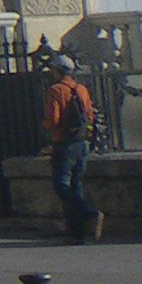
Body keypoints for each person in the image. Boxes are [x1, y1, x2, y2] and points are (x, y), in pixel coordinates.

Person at [37, 51, 100, 245]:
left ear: (57, 71)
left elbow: (54, 118)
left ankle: (89, 213)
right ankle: (77, 234)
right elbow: (90, 114)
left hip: (64, 142)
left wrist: (44, 126)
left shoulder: (56, 90)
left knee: (61, 185)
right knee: (76, 185)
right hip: (82, 141)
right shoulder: (81, 89)